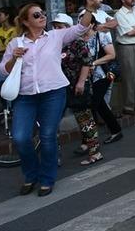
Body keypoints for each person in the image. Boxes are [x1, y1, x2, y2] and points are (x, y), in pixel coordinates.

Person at [0, 0, 99, 196]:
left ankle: (46, 178)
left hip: (53, 93)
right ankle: (31, 174)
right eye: (36, 15)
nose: (42, 17)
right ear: (26, 22)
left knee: (47, 135)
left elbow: (81, 28)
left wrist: (89, 8)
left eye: (43, 13)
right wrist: (13, 59)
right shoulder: (15, 44)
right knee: (20, 137)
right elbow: (2, 70)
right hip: (25, 96)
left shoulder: (55, 36)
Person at [51, 14, 103, 166]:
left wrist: (81, 82)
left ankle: (95, 152)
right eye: (54, 26)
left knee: (85, 119)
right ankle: (54, 157)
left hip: (77, 86)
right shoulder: (52, 43)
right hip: (58, 88)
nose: (56, 30)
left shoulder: (77, 42)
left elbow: (87, 62)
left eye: (59, 27)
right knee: (52, 123)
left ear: (68, 28)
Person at [83, 18, 122, 146]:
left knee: (93, 105)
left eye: (86, 22)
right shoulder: (78, 39)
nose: (82, 24)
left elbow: (111, 55)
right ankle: (116, 130)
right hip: (88, 77)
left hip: (103, 75)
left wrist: (93, 63)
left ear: (93, 24)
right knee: (100, 105)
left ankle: (88, 141)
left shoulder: (101, 35)